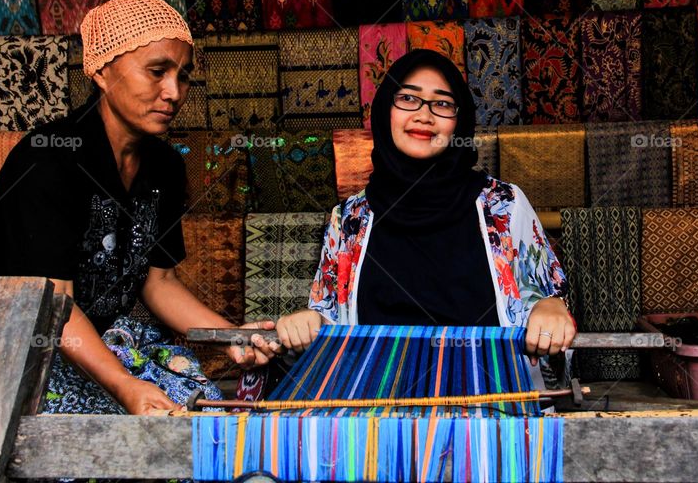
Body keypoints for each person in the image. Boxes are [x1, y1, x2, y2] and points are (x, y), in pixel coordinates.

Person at [0, 0, 279, 415]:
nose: (174, 92)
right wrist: (125, 386)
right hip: (9, 344)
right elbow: (57, 307)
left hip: (90, 339)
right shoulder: (48, 160)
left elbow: (157, 283)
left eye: (183, 76)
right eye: (157, 71)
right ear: (102, 71)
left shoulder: (163, 166)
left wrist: (230, 335)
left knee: (201, 412)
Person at [238, 48, 575, 400]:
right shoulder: (350, 219)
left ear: (461, 121)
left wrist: (549, 308)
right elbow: (329, 319)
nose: (424, 116)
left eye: (442, 104)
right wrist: (308, 322)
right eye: (408, 98)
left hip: (487, 407)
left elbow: (548, 304)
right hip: (374, 411)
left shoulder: (504, 206)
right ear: (385, 110)